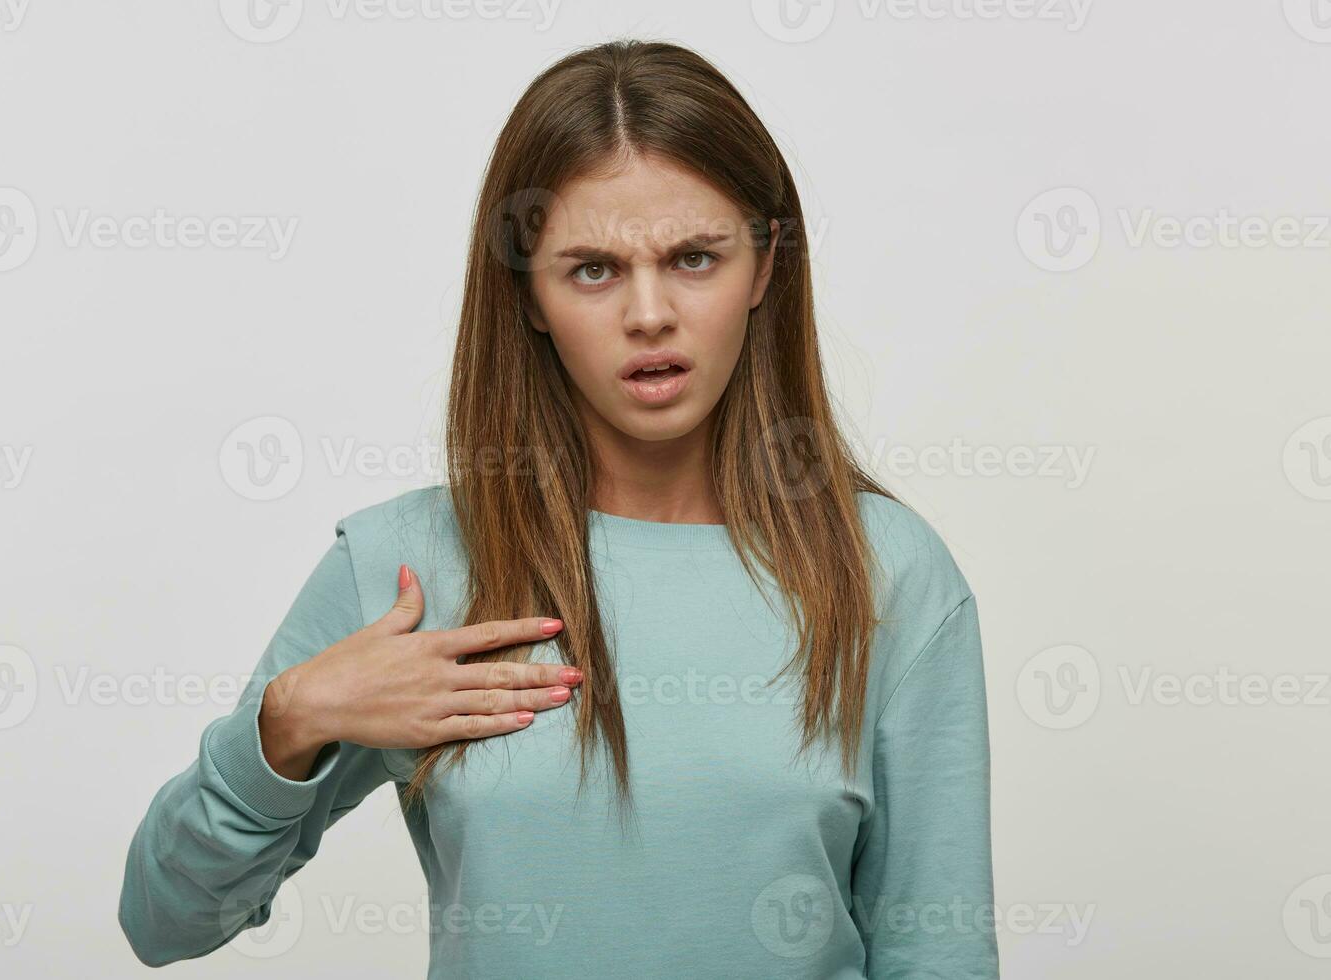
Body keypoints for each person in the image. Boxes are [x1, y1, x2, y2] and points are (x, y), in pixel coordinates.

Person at [118, 38, 999, 979]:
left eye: (696, 258)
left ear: (767, 266)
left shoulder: (887, 575)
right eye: (591, 270)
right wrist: (285, 724)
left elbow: (937, 952)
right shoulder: (406, 570)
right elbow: (166, 922)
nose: (650, 313)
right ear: (529, 296)